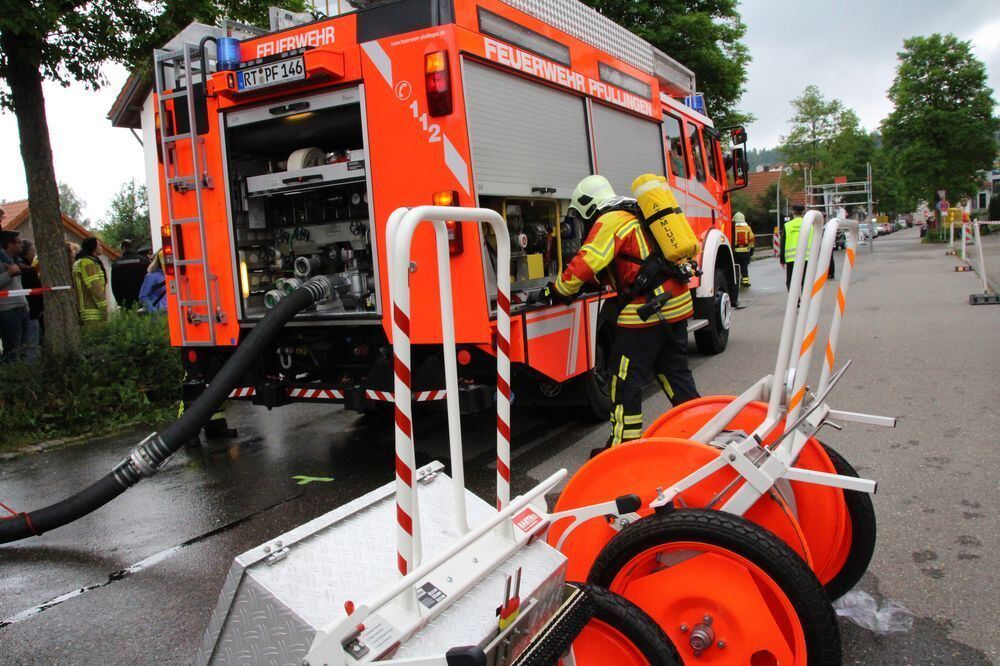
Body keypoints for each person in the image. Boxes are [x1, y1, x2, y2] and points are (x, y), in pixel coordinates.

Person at [544, 175, 699, 454]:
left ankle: (622, 448)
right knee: (674, 374)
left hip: (646, 312)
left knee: (624, 381)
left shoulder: (611, 219)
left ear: (588, 208)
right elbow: (633, 263)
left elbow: (586, 261)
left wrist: (558, 289)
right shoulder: (637, 212)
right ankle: (701, 430)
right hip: (675, 303)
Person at [0, 230, 30, 362]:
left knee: (23, 351)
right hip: (8, 311)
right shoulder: (2, 263)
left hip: (22, 309)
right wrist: (9, 274)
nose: (22, 245)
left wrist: (26, 305)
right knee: (12, 352)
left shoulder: (13, 261)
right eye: (18, 242)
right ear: (9, 244)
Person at [72, 237, 109, 324]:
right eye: (99, 245)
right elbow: (95, 288)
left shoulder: (82, 261)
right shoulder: (88, 263)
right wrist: (104, 309)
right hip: (93, 313)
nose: (101, 247)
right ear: (93, 247)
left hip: (87, 311)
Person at [17, 240, 43, 360]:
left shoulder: (22, 268)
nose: (34, 253)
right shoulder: (28, 270)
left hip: (22, 309)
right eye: (32, 250)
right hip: (32, 312)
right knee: (32, 343)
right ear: (26, 252)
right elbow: (36, 292)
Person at [779, 204, 811, 291]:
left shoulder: (787, 226)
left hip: (791, 259)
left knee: (791, 281)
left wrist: (782, 259)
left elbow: (783, 243)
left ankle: (795, 302)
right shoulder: (810, 225)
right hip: (807, 258)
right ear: (803, 212)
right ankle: (805, 301)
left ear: (792, 212)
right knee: (805, 281)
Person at [111, 239, 149, 309]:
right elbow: (148, 280)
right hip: (142, 300)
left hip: (125, 302)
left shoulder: (116, 264)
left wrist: (119, 302)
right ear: (132, 248)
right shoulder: (143, 261)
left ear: (123, 248)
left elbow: (114, 285)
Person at [732, 212, 754, 288]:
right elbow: (751, 239)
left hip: (736, 251)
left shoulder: (733, 228)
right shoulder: (747, 228)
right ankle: (745, 282)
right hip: (745, 251)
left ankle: (736, 282)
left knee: (736, 267)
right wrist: (752, 249)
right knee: (744, 267)